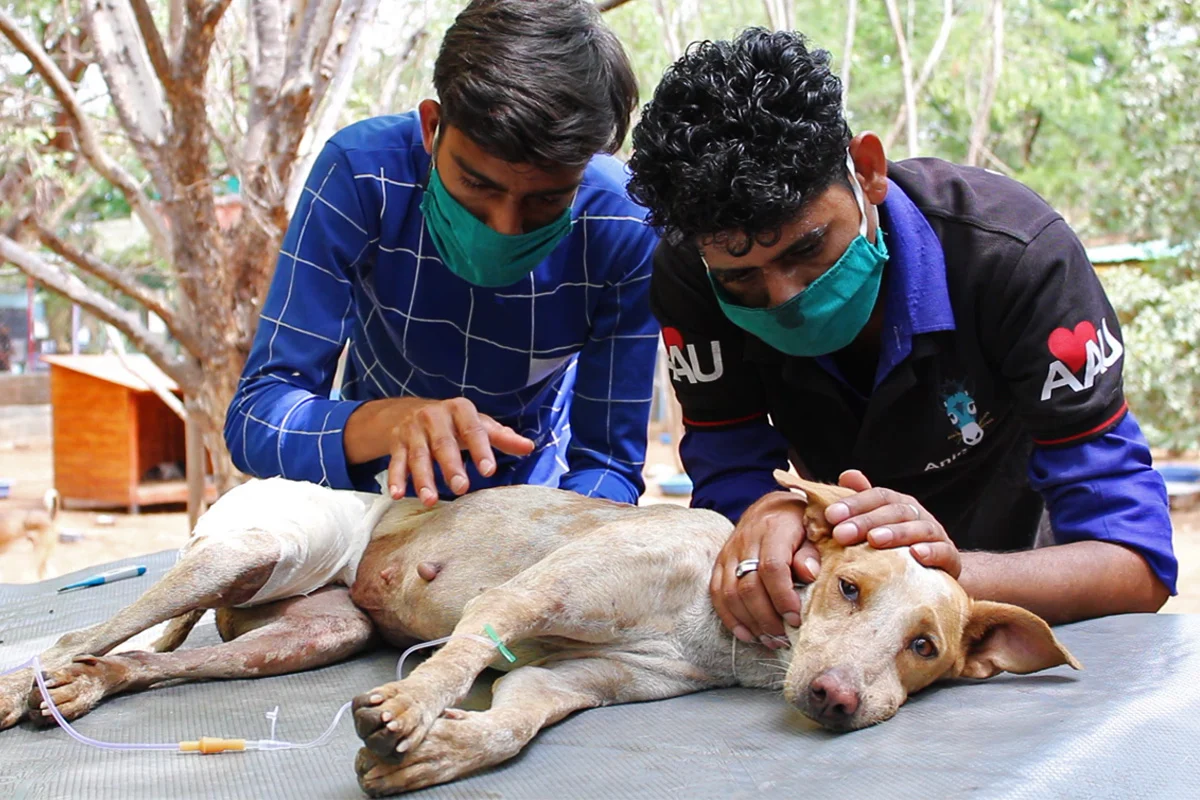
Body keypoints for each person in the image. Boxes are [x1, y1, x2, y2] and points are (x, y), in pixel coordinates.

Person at [626, 28, 1175, 648]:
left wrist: (941, 572)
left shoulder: (1019, 259)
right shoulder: (691, 275)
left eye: (808, 249)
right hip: (839, 599)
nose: (786, 300)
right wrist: (764, 512)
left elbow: (1136, 564)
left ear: (868, 172)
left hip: (1013, 582)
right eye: (742, 279)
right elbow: (729, 464)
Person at [226, 0, 659, 507]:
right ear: (432, 128)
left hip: (540, 497)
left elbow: (608, 465)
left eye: (545, 201)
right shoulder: (362, 177)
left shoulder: (624, 225)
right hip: (374, 497)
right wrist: (393, 422)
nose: (504, 229)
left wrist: (563, 533)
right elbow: (257, 417)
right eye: (477, 185)